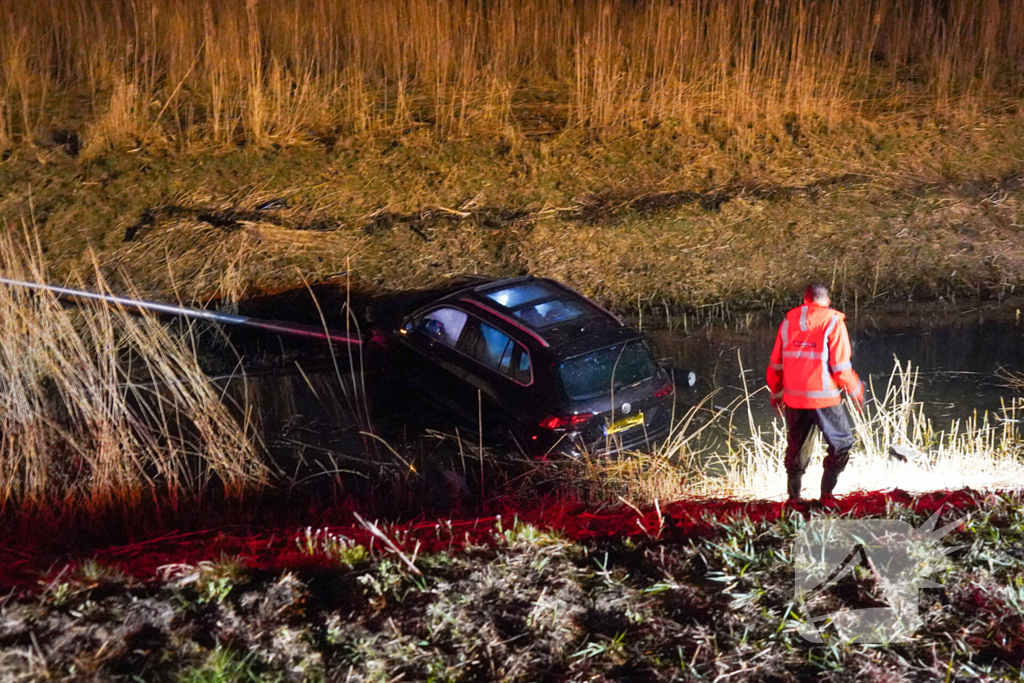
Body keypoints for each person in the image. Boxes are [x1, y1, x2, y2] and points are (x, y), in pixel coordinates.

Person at [766, 283, 864, 505]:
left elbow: (775, 364)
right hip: (824, 400)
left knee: (796, 448)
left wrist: (776, 392)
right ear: (827, 301)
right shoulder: (833, 323)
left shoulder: (787, 324)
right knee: (842, 444)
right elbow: (840, 367)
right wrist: (856, 389)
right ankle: (826, 497)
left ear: (805, 300)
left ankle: (794, 499)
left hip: (793, 399)